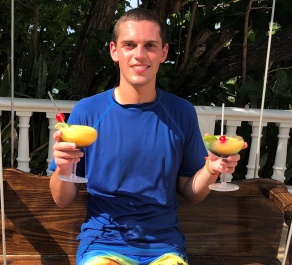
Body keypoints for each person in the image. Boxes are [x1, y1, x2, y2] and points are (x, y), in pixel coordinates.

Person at [49, 7, 247, 265]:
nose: (139, 55)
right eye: (129, 45)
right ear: (114, 51)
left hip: (165, 247)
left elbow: (192, 193)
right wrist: (63, 168)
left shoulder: (181, 112)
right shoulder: (88, 111)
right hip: (103, 244)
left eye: (150, 46)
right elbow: (61, 199)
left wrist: (212, 168)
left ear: (163, 52)